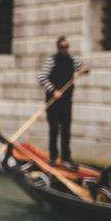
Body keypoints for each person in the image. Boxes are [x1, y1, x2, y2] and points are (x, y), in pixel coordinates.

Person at [37, 36, 88, 165]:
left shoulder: (73, 60)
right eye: (62, 47)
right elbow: (41, 77)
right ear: (58, 48)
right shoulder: (52, 61)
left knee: (66, 130)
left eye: (67, 47)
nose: (65, 49)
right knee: (54, 130)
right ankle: (53, 157)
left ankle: (66, 158)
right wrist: (54, 91)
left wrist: (83, 70)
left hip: (66, 102)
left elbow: (85, 68)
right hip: (53, 102)